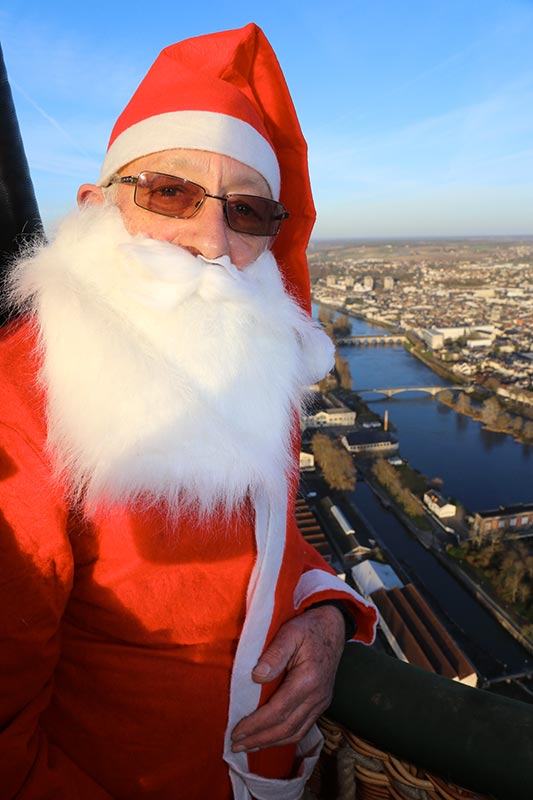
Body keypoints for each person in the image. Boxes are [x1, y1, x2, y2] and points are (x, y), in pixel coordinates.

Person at [0, 23, 377, 800]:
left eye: (246, 213)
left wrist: (328, 613)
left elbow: (267, 552)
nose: (209, 239)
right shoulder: (23, 399)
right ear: (95, 206)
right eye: (170, 193)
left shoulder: (250, 365)